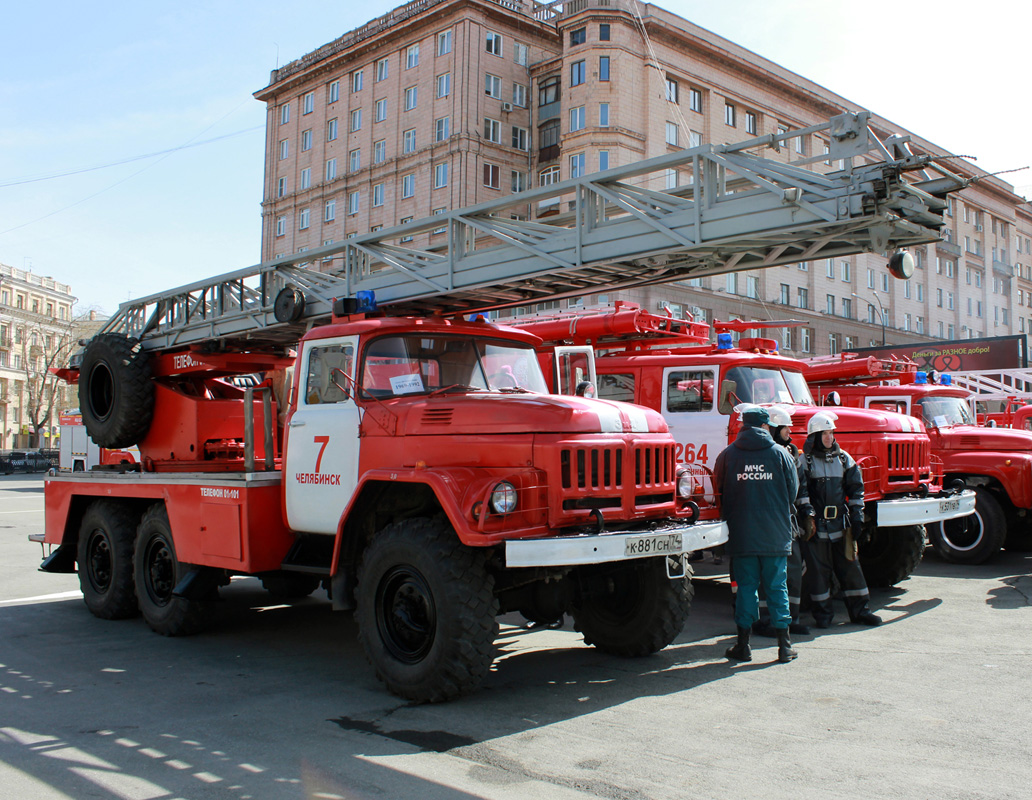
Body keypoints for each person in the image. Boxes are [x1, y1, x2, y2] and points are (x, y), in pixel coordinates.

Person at [714, 404, 800, 663]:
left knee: (746, 588)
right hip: (774, 534)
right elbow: (792, 492)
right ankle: (784, 647)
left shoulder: (727, 455)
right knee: (777, 587)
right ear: (765, 427)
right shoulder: (781, 454)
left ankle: (743, 645)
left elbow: (718, 490)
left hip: (741, 534)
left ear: (743, 426)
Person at [796, 411, 882, 628]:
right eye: (824, 433)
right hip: (816, 528)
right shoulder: (803, 461)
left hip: (841, 526)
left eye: (831, 432)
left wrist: (857, 517)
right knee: (818, 574)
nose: (829, 437)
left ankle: (861, 612)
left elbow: (856, 490)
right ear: (813, 436)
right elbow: (801, 492)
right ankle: (823, 616)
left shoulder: (844, 459)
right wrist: (807, 515)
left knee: (851, 568)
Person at [752, 404, 810, 638]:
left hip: (790, 522)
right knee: (769, 575)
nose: (790, 433)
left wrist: (807, 513)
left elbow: (801, 486)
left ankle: (788, 620)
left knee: (793, 571)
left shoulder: (793, 453)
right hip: (770, 522)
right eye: (786, 428)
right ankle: (766, 621)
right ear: (774, 429)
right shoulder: (767, 454)